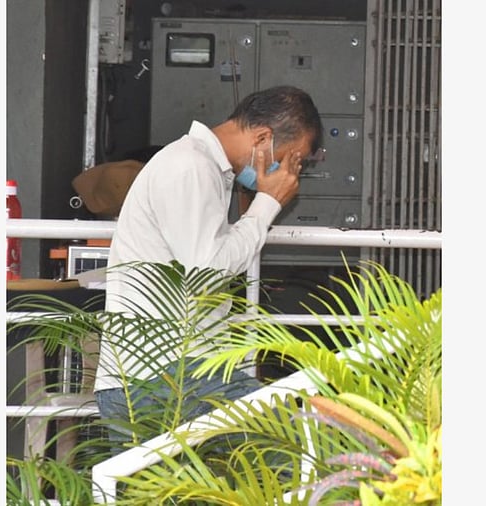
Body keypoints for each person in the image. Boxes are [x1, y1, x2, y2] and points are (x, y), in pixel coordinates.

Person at [93, 85, 323, 449]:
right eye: (290, 161)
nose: (289, 176)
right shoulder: (190, 167)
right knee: (294, 447)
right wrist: (267, 202)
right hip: (163, 379)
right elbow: (207, 272)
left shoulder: (206, 169)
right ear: (262, 137)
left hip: (173, 375)